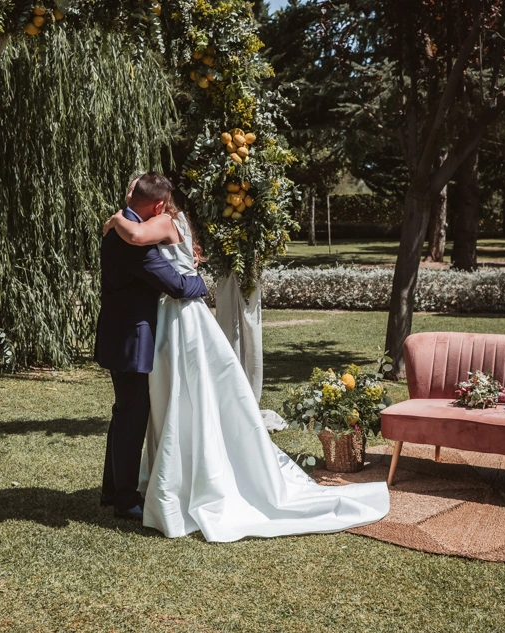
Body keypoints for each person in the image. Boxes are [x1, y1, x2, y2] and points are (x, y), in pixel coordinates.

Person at [103, 182, 390, 542]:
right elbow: (170, 272)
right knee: (162, 400)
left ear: (157, 205)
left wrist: (118, 220)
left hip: (178, 320)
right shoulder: (163, 223)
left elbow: (161, 264)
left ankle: (148, 484)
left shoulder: (153, 225)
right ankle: (129, 488)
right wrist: (193, 281)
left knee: (175, 397)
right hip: (170, 322)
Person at [95, 173, 208, 520]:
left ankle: (114, 489)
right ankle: (125, 499)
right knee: (132, 415)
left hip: (120, 332)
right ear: (159, 205)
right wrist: (200, 283)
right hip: (132, 338)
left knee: (124, 413)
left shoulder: (124, 223)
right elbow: (173, 284)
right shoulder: (134, 241)